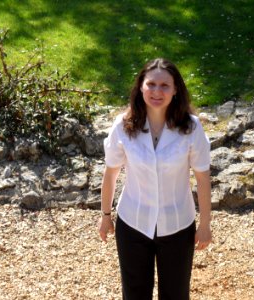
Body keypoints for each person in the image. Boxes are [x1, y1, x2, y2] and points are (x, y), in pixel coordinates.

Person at [97, 58, 212, 300]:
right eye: (151, 84)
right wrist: (105, 216)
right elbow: (111, 172)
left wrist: (205, 225)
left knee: (176, 294)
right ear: (140, 87)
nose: (157, 91)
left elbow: (202, 177)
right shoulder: (123, 125)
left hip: (178, 226)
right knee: (135, 293)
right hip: (133, 224)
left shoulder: (191, 128)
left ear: (175, 89)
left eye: (164, 85)